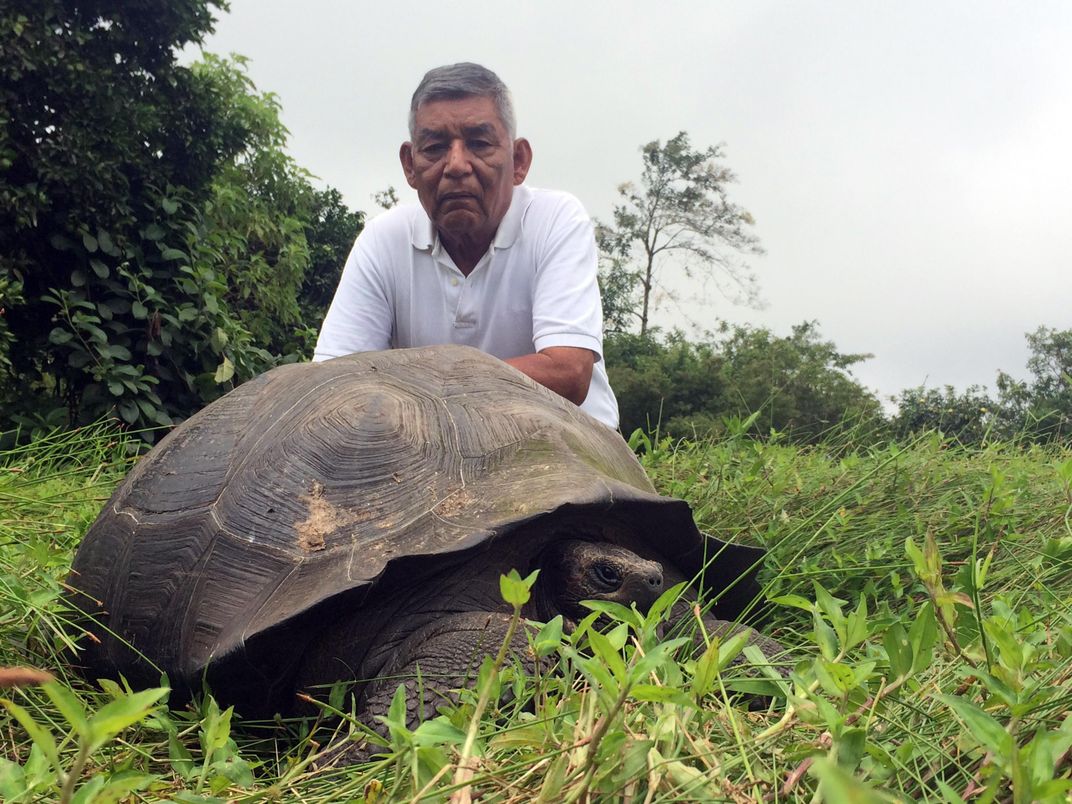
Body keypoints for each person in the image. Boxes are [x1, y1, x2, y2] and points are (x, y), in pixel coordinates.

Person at [312, 62, 619, 428]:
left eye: (479, 144)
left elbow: (568, 372)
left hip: (566, 448)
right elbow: (330, 385)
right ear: (410, 165)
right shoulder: (383, 240)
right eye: (435, 147)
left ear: (518, 161)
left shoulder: (556, 220)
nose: (456, 165)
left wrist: (416, 389)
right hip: (433, 451)